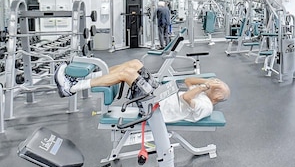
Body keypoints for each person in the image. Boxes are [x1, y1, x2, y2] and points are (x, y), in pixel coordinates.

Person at [54, 60, 230, 123]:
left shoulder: (206, 106)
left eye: (218, 85)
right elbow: (188, 81)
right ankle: (82, 78)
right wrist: (206, 82)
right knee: (135, 64)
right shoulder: (202, 93)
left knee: (127, 74)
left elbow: (186, 96)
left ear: (219, 96)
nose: (216, 83)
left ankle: (72, 87)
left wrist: (204, 87)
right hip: (158, 93)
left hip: (154, 105)